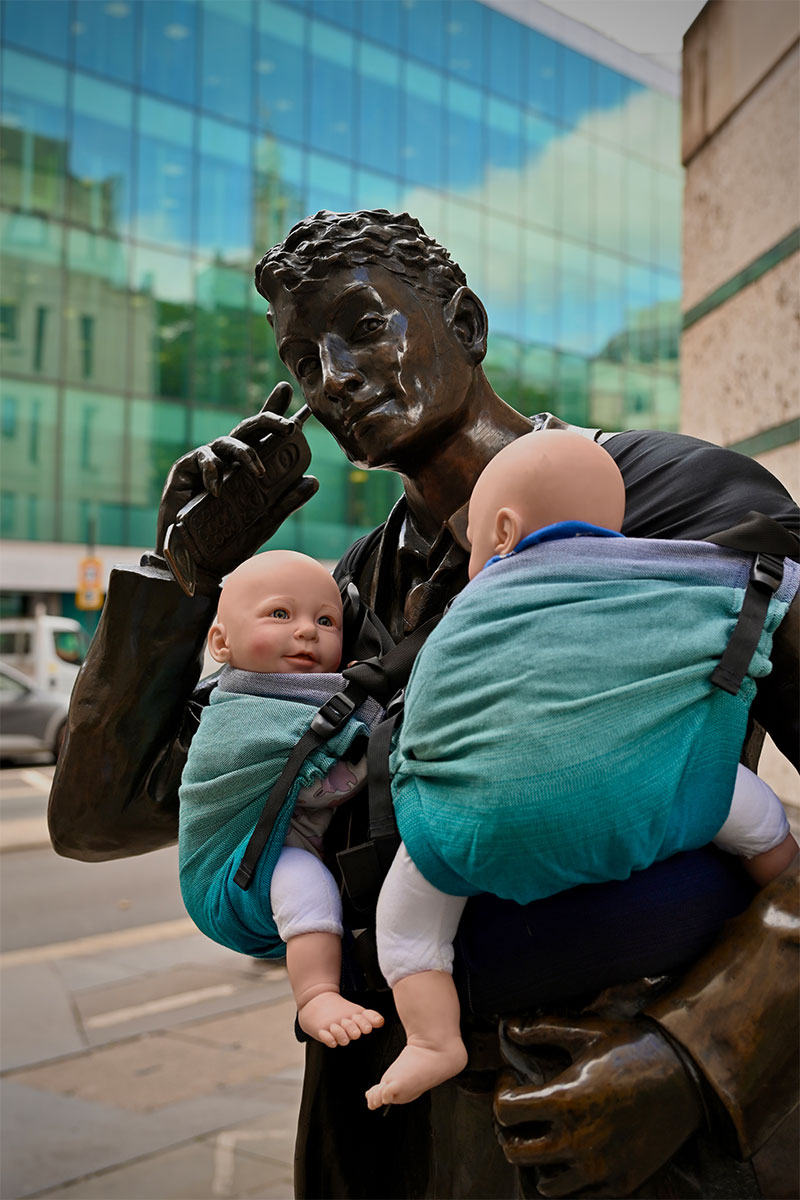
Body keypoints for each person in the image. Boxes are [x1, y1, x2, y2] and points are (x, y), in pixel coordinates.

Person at [49, 210, 799, 1198]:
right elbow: (99, 820)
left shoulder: (676, 501)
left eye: (364, 328)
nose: (333, 379)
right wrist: (184, 584)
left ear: (466, 324)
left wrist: (696, 1052)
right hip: (379, 1124)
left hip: (613, 1118)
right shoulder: (332, 601)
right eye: (303, 362)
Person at [367, 430, 797, 1110]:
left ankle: (430, 1039)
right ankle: (780, 872)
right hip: (666, 793)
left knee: (409, 920)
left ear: (503, 532)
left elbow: (423, 723)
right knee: (755, 814)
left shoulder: (467, 615)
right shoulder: (665, 580)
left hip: (479, 832)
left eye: (472, 543)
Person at [178, 550, 385, 1048]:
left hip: (276, 847)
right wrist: (377, 748)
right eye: (280, 613)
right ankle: (316, 995)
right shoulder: (242, 711)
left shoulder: (309, 693)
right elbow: (315, 780)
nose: (308, 631)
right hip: (233, 874)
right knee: (304, 882)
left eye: (326, 621)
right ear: (221, 643)